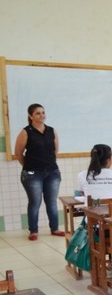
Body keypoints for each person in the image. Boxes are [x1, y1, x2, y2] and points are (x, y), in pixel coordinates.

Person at [14, 103, 64, 241]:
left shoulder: (51, 130)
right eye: (38, 113)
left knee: (52, 201)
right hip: (32, 173)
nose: (42, 115)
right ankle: (33, 231)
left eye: (43, 112)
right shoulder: (26, 132)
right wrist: (29, 166)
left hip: (52, 172)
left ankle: (55, 228)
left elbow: (55, 151)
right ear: (31, 116)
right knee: (35, 201)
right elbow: (18, 153)